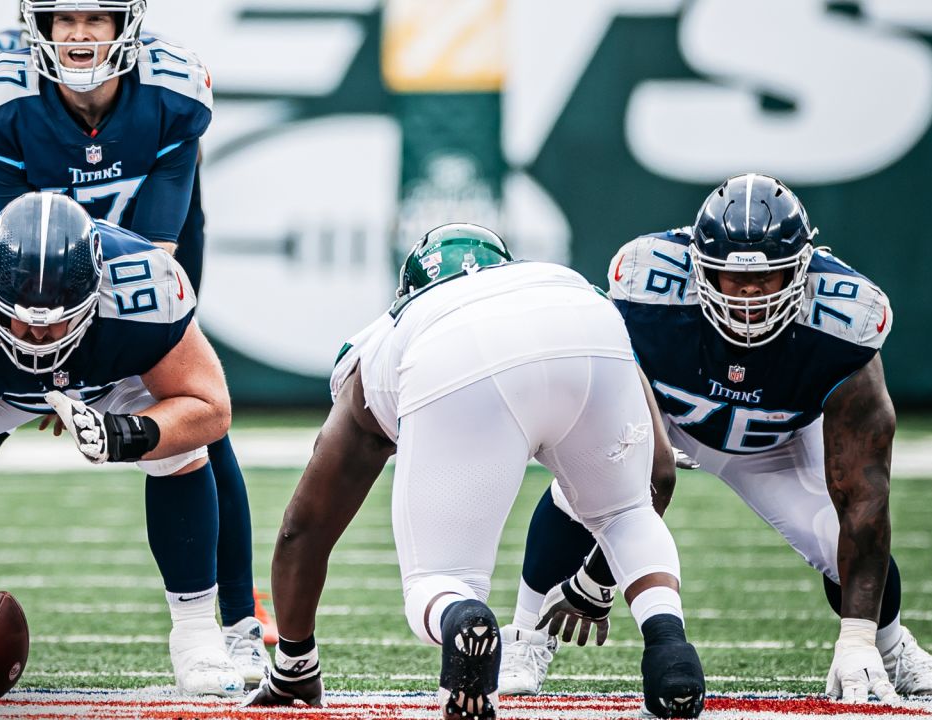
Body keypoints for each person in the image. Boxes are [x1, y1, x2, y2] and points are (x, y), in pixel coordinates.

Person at [496, 174, 932, 702]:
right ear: (698, 267)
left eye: (768, 278)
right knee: (579, 487)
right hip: (666, 416)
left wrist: (855, 636)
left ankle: (883, 646)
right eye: (729, 276)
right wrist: (596, 577)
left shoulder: (845, 321)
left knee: (839, 531)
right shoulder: (646, 289)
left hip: (779, 441)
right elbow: (650, 473)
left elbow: (865, 498)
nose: (748, 293)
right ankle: (524, 634)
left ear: (802, 269)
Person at [0, 0, 271, 690]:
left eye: (95, 20)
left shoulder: (168, 95)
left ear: (123, 26)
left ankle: (235, 627)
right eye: (63, 21)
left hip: (139, 271)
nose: (78, 35)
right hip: (25, 285)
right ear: (37, 31)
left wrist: (91, 358)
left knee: (194, 430)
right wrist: (27, 347)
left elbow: (160, 253)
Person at [243, 224, 706, 720]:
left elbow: (302, 530)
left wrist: (293, 664)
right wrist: (595, 584)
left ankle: (461, 618)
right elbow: (659, 474)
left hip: (458, 349)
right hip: (588, 325)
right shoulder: (561, 286)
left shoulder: (387, 334)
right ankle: (669, 650)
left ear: (408, 293)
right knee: (626, 512)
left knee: (440, 580)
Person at [0, 192, 246, 697]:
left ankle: (197, 636)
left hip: (109, 377)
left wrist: (124, 434)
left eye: (58, 318)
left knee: (180, 449)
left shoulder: (147, 284)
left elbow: (211, 408)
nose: (37, 335)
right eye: (19, 318)